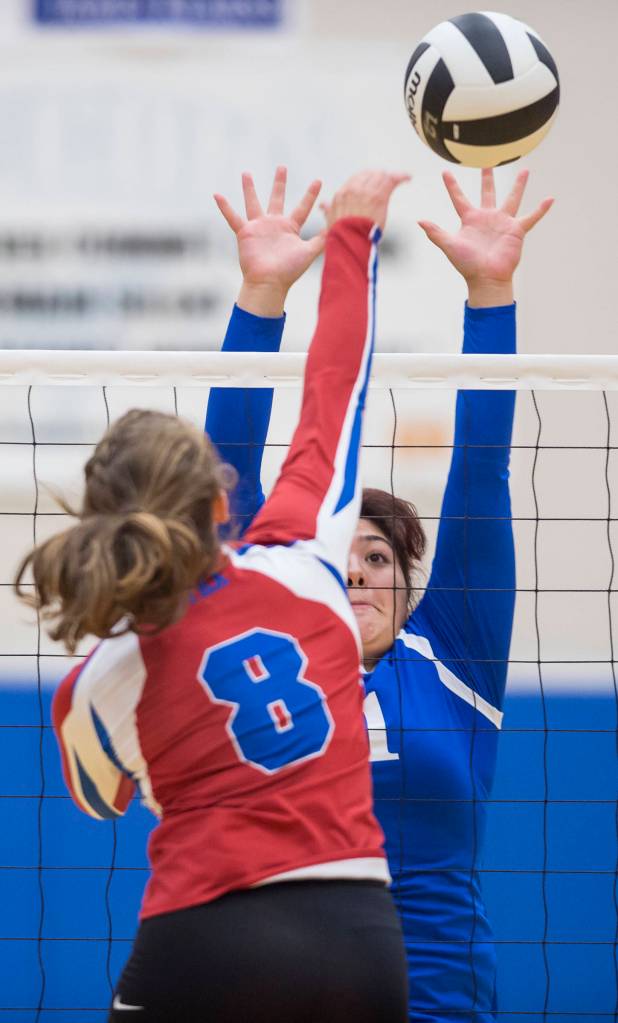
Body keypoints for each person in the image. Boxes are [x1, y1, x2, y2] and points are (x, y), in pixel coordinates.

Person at [15, 170, 412, 1023]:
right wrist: (353, 235)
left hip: (206, 937)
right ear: (223, 505)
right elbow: (333, 393)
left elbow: (101, 797)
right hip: (361, 937)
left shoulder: (98, 684)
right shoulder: (307, 563)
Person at [206, 165, 553, 1022]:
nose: (355, 570)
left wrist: (491, 291)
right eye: (338, 557)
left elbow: (481, 465)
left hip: (438, 1003)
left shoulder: (458, 653)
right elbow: (221, 476)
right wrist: (260, 298)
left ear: (410, 582)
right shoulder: (268, 645)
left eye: (375, 556)